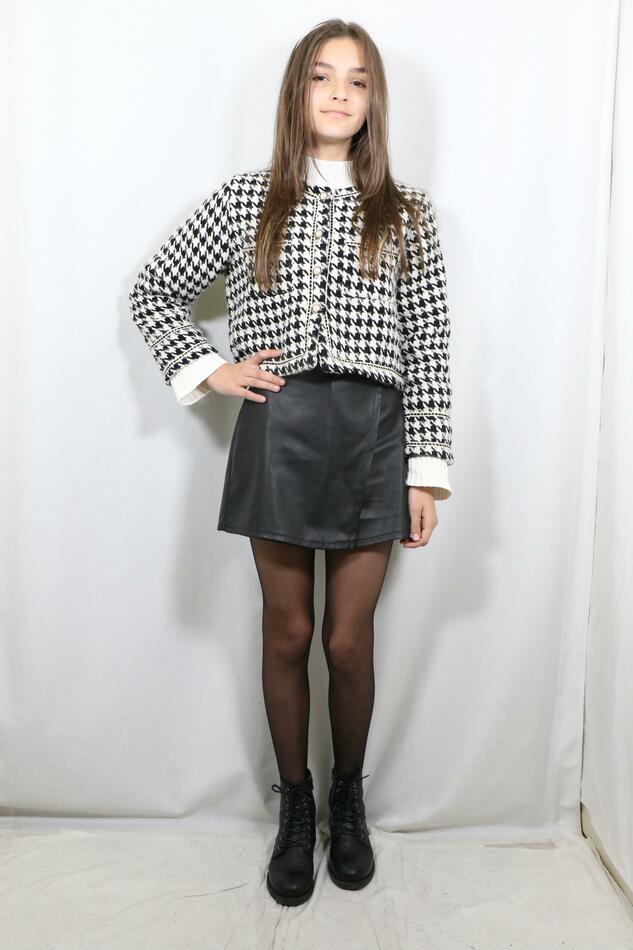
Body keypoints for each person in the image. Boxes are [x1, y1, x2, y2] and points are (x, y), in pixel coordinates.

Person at [128, 19, 454, 907]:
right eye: (321, 76)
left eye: (357, 79)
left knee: (347, 640)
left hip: (373, 434)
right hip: (280, 431)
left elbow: (428, 342)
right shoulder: (248, 199)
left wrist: (425, 469)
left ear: (373, 100)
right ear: (297, 92)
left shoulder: (406, 211)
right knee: (287, 632)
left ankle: (348, 798)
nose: (339, 92)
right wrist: (211, 369)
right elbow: (154, 290)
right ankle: (296, 807)